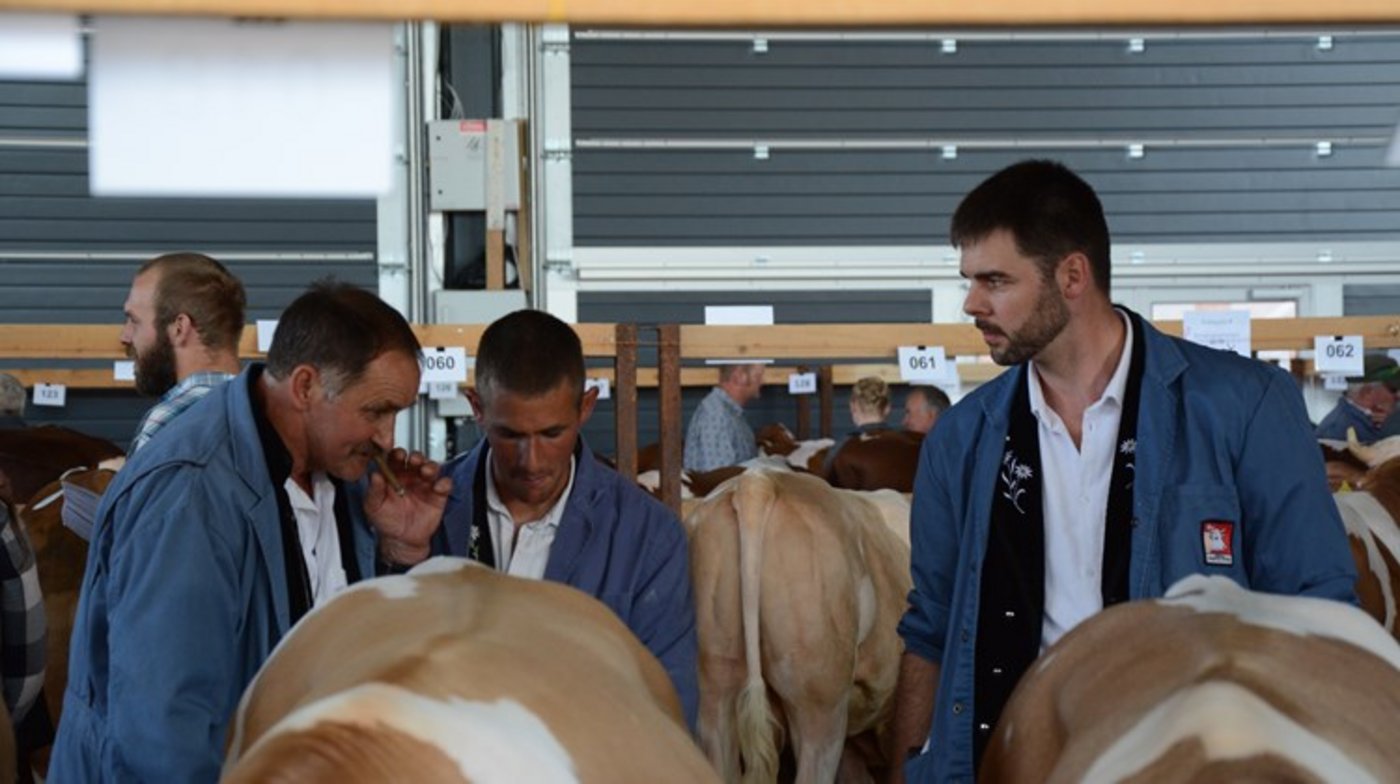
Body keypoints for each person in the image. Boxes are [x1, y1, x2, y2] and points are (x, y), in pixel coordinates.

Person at [888, 160, 1357, 782]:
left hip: (1191, 761)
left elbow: (1317, 607)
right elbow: (932, 627)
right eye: (969, 280)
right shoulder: (962, 438)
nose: (972, 303)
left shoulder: (1244, 405)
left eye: (995, 280)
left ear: (1073, 275)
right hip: (1012, 756)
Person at [51, 282, 451, 782]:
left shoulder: (347, 479)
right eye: (376, 411)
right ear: (305, 387)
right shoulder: (192, 492)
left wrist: (397, 549)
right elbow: (162, 733)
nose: (387, 438)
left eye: (396, 413)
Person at [429, 309, 699, 727]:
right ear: (476, 408)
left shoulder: (650, 538)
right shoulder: (420, 514)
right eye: (511, 435)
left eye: (552, 434)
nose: (531, 461)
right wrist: (398, 551)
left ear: (585, 406)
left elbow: (668, 716)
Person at [120, 252, 245, 452]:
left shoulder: (167, 423)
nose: (125, 336)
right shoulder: (266, 414)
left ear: (179, 328)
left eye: (134, 321)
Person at [684, 362, 765, 471]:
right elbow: (719, 480)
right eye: (758, 376)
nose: (762, 382)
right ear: (739, 377)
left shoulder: (730, 414)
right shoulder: (715, 415)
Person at [1315, 353, 1399, 443]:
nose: (1398, 396)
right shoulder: (1335, 433)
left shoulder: (1378, 421)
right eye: (1393, 389)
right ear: (1367, 393)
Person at [824, 376, 895, 476]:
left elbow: (825, 485)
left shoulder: (840, 449)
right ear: (887, 409)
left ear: (853, 407)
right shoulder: (907, 448)